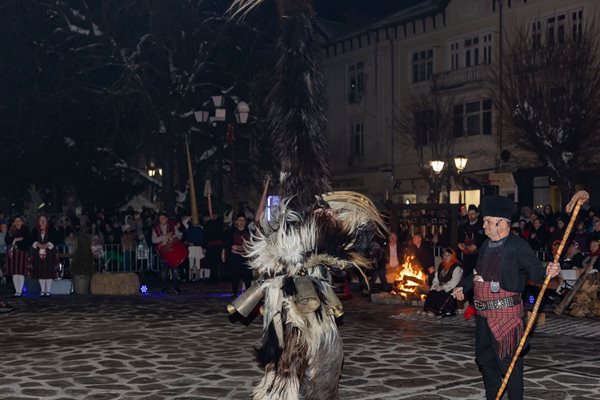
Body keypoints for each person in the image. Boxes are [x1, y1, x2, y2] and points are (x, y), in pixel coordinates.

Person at [453, 195, 561, 400]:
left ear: (501, 224)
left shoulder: (518, 246)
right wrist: (462, 285)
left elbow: (536, 272)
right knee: (484, 360)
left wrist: (549, 270)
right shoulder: (486, 245)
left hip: (506, 316)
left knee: (509, 364)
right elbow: (477, 272)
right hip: (484, 316)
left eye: (488, 221)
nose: (483, 225)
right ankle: (493, 396)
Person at [421, 247, 463, 317]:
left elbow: (454, 281)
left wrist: (443, 287)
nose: (445, 257)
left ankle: (436, 311)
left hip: (451, 288)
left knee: (442, 294)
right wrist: (435, 285)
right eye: (444, 255)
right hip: (441, 286)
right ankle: (428, 309)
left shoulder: (456, 266)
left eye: (448, 255)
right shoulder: (441, 265)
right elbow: (436, 278)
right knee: (433, 292)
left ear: (452, 256)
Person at [457, 204, 485, 309]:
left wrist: (477, 245)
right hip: (467, 257)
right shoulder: (464, 227)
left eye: (473, 213)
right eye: (469, 214)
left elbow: (483, 240)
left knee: (477, 277)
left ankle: (476, 301)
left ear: (477, 214)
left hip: (478, 257)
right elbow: (459, 239)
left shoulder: (481, 227)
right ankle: (468, 301)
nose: (471, 216)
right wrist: (460, 244)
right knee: (467, 277)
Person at [152, 213, 183, 294]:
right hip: (163, 252)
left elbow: (179, 236)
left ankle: (176, 287)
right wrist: (165, 236)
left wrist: (174, 236)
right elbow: (154, 240)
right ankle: (164, 287)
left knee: (175, 270)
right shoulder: (156, 229)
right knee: (164, 271)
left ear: (166, 219)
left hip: (173, 251)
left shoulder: (172, 227)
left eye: (163, 218)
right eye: (160, 218)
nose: (161, 220)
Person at [224, 213, 251, 296]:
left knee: (247, 277)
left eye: (243, 220)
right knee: (235, 275)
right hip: (235, 258)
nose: (241, 222)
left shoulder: (249, 232)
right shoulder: (231, 232)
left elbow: (251, 246)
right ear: (236, 222)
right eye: (240, 220)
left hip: (246, 258)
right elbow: (230, 246)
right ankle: (234, 292)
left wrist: (240, 248)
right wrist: (236, 248)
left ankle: (248, 293)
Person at [31, 215, 58, 296]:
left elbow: (55, 238)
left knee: (49, 270)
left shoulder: (52, 229)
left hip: (50, 252)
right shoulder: (35, 230)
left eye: (44, 220)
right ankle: (43, 290)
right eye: (40, 220)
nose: (42, 221)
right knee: (40, 271)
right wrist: (38, 245)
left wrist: (47, 245)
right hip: (38, 253)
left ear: (47, 221)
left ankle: (48, 290)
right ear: (38, 222)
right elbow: (32, 239)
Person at [5, 216, 32, 297]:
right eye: (16, 221)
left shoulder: (26, 230)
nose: (17, 222)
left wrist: (19, 240)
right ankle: (16, 290)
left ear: (22, 222)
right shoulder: (11, 230)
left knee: (20, 272)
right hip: (12, 253)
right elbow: (7, 240)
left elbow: (28, 241)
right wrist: (15, 240)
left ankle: (20, 290)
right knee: (14, 272)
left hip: (22, 252)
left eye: (19, 221)